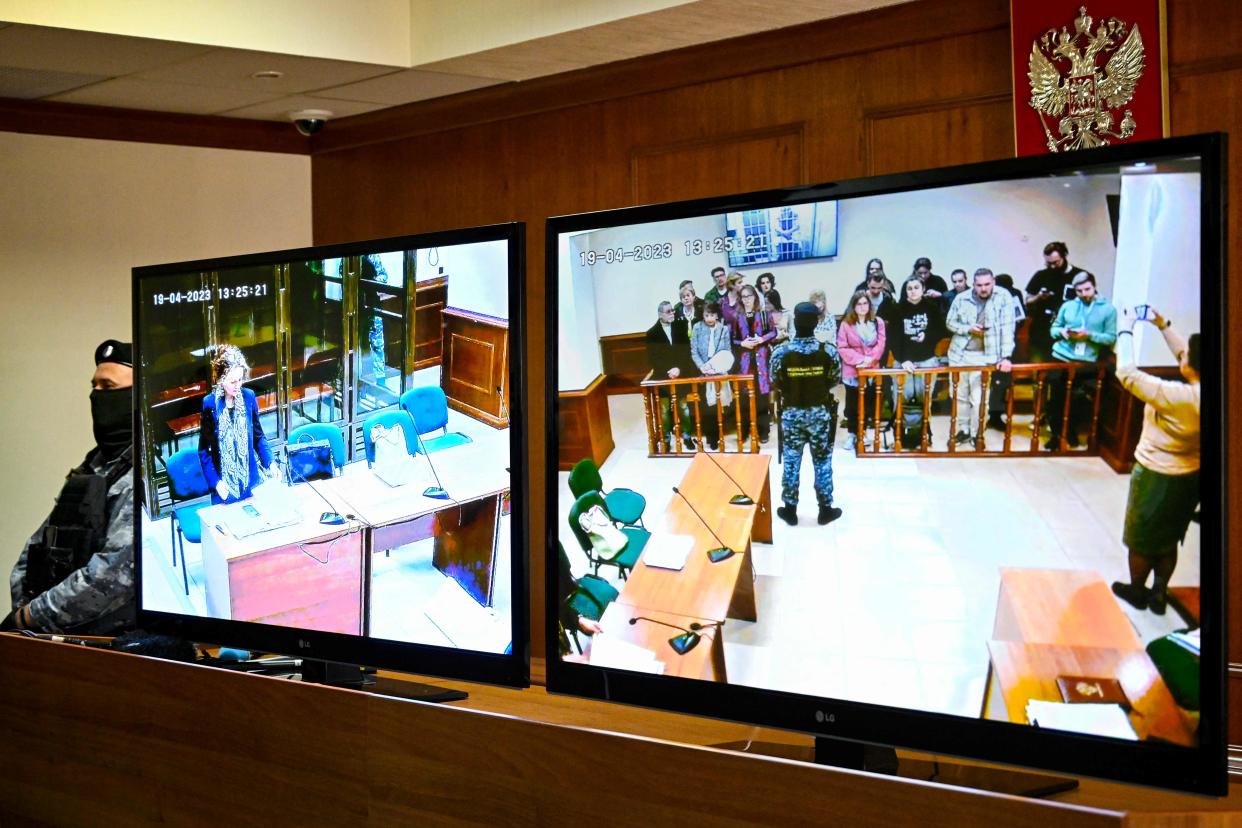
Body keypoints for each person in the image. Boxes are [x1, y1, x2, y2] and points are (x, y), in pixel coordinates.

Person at [5, 340, 137, 634]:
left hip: (110, 647)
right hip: (53, 635)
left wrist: (29, 617)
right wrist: (24, 610)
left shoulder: (146, 471)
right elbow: (37, 546)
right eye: (95, 387)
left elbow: (112, 576)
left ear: (136, 395)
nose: (97, 396)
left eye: (108, 386)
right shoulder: (95, 464)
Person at [1110, 308, 1199, 616]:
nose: (1181, 356)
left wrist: (1125, 329)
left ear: (1192, 364)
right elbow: (1186, 357)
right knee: (1169, 536)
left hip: (1156, 473)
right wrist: (1163, 326)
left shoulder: (1176, 396)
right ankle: (1159, 592)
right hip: (1191, 476)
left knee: (1142, 537)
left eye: (1185, 355)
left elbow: (1127, 374)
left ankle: (1136, 590)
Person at [771, 303, 844, 526]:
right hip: (819, 414)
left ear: (795, 321)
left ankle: (790, 510)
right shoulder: (828, 351)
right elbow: (834, 379)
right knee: (822, 462)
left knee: (791, 461)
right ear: (816, 322)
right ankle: (825, 510)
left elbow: (776, 382)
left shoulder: (781, 352)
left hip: (792, 413)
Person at [1045, 272, 1117, 449]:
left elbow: (1110, 337)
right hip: (1061, 357)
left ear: (1094, 286)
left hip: (1086, 362)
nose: (1084, 294)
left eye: (1087, 289)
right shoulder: (1068, 306)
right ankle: (1055, 434)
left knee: (1077, 400)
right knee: (1055, 399)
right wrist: (1061, 332)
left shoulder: (1108, 309)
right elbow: (1054, 328)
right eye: (1079, 291)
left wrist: (1090, 336)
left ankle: (1071, 432)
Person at [199, 344, 279, 503]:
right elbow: (204, 451)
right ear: (220, 380)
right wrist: (216, 482)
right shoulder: (209, 405)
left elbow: (258, 437)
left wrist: (271, 463)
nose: (238, 385)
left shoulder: (249, 397)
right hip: (225, 488)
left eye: (240, 379)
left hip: (252, 483)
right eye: (232, 381)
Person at [945, 268, 1015, 448]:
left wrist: (1006, 356)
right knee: (959, 396)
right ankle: (963, 430)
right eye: (979, 285)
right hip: (960, 354)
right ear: (973, 284)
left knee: (979, 399)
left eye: (987, 284)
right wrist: (968, 328)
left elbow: (1008, 328)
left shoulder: (1003, 297)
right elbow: (950, 322)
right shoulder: (962, 298)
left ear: (993, 282)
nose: (983, 289)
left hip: (985, 356)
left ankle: (978, 432)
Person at [890, 276, 946, 448]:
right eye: (909, 288)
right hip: (903, 362)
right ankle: (899, 434)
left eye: (916, 287)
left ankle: (923, 434)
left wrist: (926, 335)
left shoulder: (932, 308)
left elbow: (940, 330)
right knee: (901, 399)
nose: (913, 291)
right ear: (905, 291)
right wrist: (903, 359)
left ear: (922, 289)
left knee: (925, 400)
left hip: (926, 360)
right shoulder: (897, 309)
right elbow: (893, 337)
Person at [1025, 241, 1092, 363]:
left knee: (1062, 366)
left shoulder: (1080, 276)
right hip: (1042, 328)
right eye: (1048, 263)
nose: (1052, 267)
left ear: (1064, 256)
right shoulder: (1041, 275)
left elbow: (1090, 300)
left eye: (1056, 262)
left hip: (1068, 329)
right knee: (1039, 364)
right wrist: (1039, 297)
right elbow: (1028, 300)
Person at [836, 290, 886, 451]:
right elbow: (842, 347)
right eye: (859, 304)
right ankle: (851, 434)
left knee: (868, 405)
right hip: (853, 370)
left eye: (865, 303)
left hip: (871, 369)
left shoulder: (878, 322)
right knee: (852, 406)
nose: (863, 307)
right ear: (854, 306)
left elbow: (881, 343)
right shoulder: (846, 324)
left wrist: (870, 360)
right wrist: (860, 360)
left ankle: (862, 433)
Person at [646, 301, 698, 450]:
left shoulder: (680, 327)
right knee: (663, 410)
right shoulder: (652, 333)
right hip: (663, 376)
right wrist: (669, 371)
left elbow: (685, 352)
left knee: (683, 407)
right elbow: (653, 359)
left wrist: (679, 369)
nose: (672, 314)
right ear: (660, 314)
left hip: (680, 375)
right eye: (668, 311)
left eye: (673, 311)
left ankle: (687, 436)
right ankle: (666, 439)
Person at [732, 284, 776, 444]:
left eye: (749, 296)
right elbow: (733, 339)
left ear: (755, 298)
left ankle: (763, 431)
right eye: (743, 297)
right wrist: (742, 343)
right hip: (744, 363)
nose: (747, 300)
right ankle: (745, 430)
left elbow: (773, 332)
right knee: (744, 398)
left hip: (761, 362)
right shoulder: (737, 317)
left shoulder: (764, 314)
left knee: (762, 398)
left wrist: (761, 339)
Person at [986, 273, 1028, 431]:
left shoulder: (1015, 294)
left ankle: (996, 415)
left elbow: (1021, 317)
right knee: (989, 382)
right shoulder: (990, 294)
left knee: (1002, 382)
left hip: (1008, 343)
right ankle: (987, 415)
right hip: (990, 343)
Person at [690, 301, 734, 450]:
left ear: (717, 315)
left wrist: (716, 366)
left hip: (718, 369)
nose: (709, 318)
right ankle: (710, 436)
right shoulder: (697, 327)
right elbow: (694, 351)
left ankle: (718, 434)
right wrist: (703, 367)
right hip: (703, 370)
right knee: (706, 405)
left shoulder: (724, 329)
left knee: (718, 404)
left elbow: (727, 351)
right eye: (706, 315)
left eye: (712, 315)